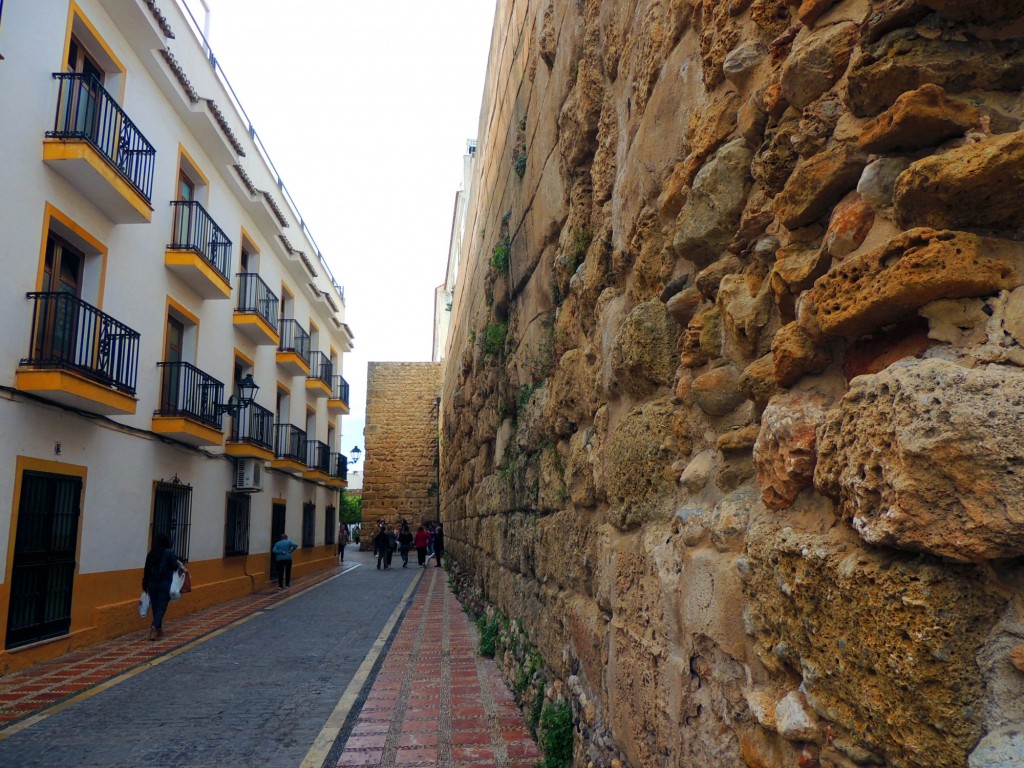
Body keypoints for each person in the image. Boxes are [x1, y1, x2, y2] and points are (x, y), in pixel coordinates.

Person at [142, 533, 178, 640]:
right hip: (164, 583)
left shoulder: (151, 554)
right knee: (161, 607)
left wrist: (145, 583)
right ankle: (154, 626)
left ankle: (158, 628)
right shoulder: (168, 553)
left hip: (151, 583)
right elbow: (174, 566)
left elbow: (146, 569)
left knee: (155, 606)